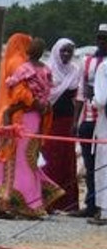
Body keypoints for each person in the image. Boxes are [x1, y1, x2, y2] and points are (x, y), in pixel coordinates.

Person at [0, 35, 64, 218]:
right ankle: (28, 201)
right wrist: (39, 104)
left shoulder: (24, 68)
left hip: (21, 118)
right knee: (29, 158)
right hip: (37, 119)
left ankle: (20, 202)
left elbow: (18, 93)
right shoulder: (46, 70)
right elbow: (47, 94)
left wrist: (12, 109)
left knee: (18, 160)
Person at [42, 39, 81, 212]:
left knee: (67, 159)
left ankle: (67, 203)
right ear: (57, 51)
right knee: (50, 160)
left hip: (67, 121)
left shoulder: (75, 71)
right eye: (63, 51)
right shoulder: (48, 70)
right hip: (50, 121)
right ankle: (48, 202)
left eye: (69, 52)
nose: (66, 55)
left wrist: (75, 122)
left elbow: (78, 97)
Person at [77, 25, 107, 219]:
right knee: (90, 165)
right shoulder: (87, 62)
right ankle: (91, 203)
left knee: (102, 165)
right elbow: (80, 93)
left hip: (102, 120)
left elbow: (100, 99)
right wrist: (75, 121)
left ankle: (101, 206)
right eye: (100, 38)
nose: (102, 42)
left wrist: (95, 96)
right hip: (89, 120)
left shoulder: (104, 66)